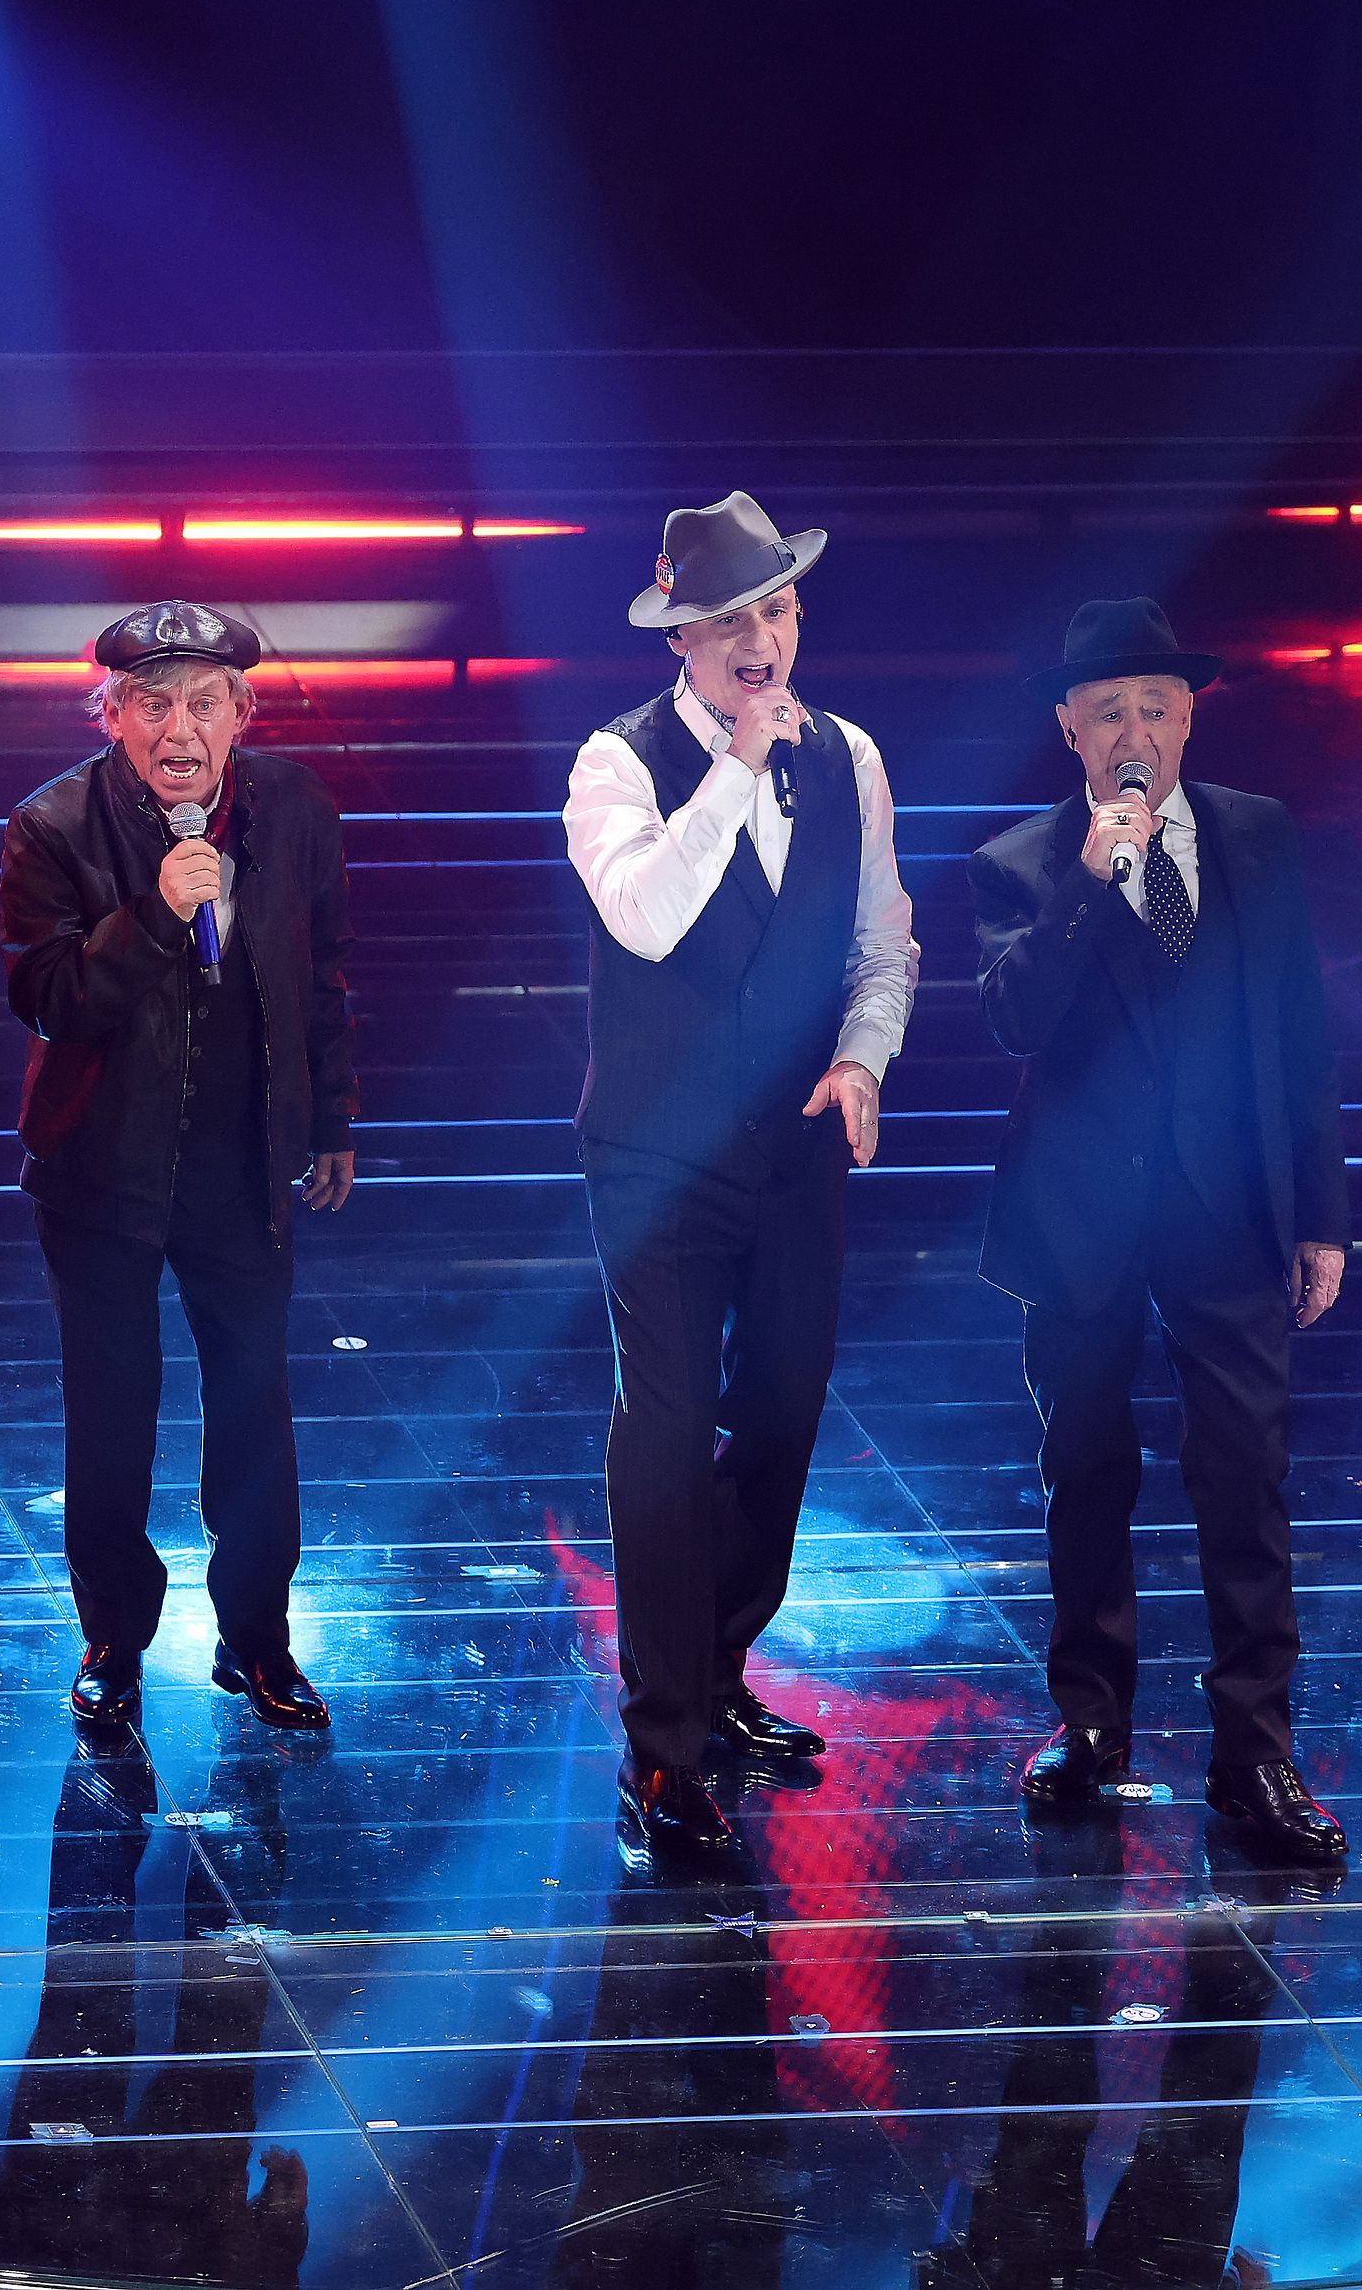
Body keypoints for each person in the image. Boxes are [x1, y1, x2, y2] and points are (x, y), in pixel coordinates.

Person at [562, 490, 919, 1869]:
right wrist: (734, 769)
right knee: (664, 1427)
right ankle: (661, 1745)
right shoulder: (619, 760)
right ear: (681, 641)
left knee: (781, 1408)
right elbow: (646, 917)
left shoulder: (849, 756)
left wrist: (865, 1057)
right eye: (725, 621)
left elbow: (882, 939)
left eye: (774, 610)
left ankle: (716, 1669)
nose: (757, 639)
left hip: (790, 1141)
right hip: (656, 1154)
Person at [970, 598, 1354, 1863]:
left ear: (1187, 716)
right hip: (1078, 1211)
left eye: (1155, 708)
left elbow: (1298, 1029)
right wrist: (1088, 881)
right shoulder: (1021, 861)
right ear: (1069, 731)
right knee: (1085, 1472)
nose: (1133, 732)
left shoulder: (1258, 834)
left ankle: (1255, 1751)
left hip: (1228, 1202)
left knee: (1245, 1476)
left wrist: (1321, 1211)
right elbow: (1013, 1019)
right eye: (1108, 713)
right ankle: (1090, 1724)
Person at [0, 600, 359, 1744]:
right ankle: (113, 1640)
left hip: (242, 1163)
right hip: (102, 1168)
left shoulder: (295, 808)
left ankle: (256, 1636)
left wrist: (331, 1115)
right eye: (151, 704)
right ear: (111, 715)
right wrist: (157, 911)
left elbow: (324, 972)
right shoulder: (52, 823)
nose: (179, 728)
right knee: (112, 1416)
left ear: (242, 713)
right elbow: (48, 996)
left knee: (254, 1405)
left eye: (204, 702)